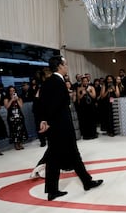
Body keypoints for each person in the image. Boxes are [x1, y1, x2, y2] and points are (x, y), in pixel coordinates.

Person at [38, 55, 103, 201]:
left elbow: (42, 103)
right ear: (60, 66)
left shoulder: (47, 83)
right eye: (65, 64)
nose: (67, 66)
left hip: (55, 127)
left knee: (58, 158)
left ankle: (55, 190)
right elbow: (55, 105)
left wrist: (44, 120)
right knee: (71, 154)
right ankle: (85, 182)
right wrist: (48, 120)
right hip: (61, 127)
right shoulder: (58, 82)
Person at [4, 86, 28, 150]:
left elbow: (21, 106)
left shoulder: (19, 98)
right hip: (11, 117)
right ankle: (16, 144)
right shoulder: (6, 98)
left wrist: (17, 99)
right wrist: (11, 100)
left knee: (21, 129)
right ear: (8, 92)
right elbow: (7, 107)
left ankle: (20, 143)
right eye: (10, 91)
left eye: (13, 90)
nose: (12, 92)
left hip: (19, 116)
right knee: (14, 130)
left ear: (15, 91)